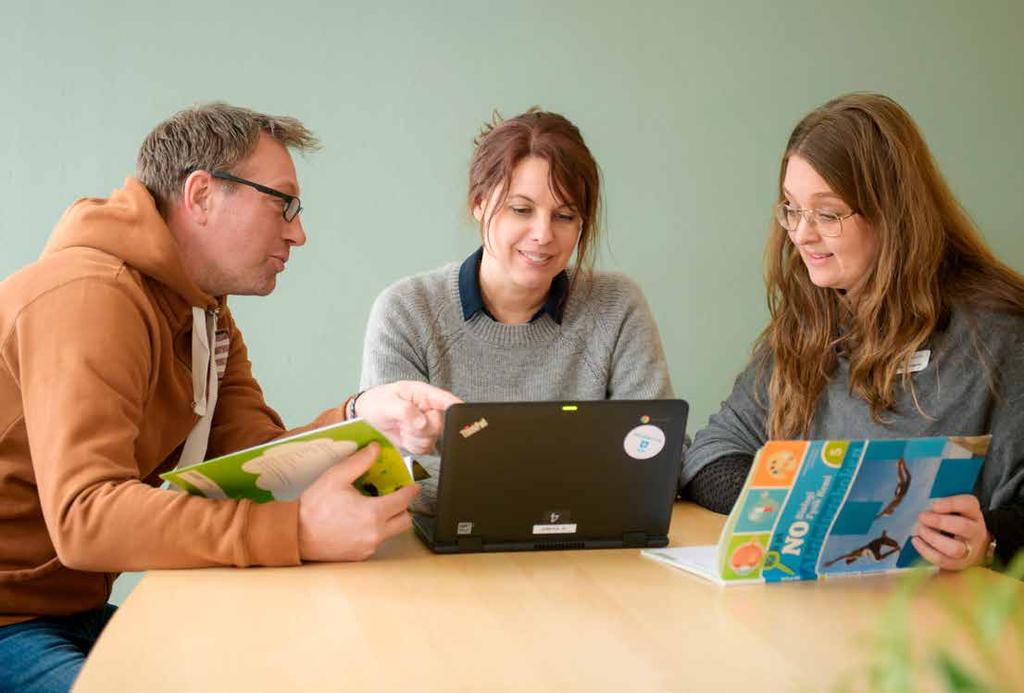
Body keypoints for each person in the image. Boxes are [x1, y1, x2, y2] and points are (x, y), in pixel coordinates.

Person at [0, 103, 459, 692]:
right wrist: (296, 532)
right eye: (282, 204)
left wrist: (360, 416)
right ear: (201, 195)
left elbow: (258, 459)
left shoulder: (204, 312)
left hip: (63, 609)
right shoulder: (92, 296)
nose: (298, 232)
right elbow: (86, 517)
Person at [679, 93, 1024, 573]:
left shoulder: (999, 335)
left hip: (936, 620)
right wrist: (798, 513)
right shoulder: (812, 313)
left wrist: (988, 538)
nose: (801, 234)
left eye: (828, 213)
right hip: (811, 607)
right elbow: (712, 454)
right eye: (792, 209)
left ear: (893, 216)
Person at [360, 108, 673, 405]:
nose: (543, 234)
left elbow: (656, 446)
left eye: (564, 216)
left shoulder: (616, 306)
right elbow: (398, 458)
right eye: (521, 210)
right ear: (479, 204)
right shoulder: (406, 312)